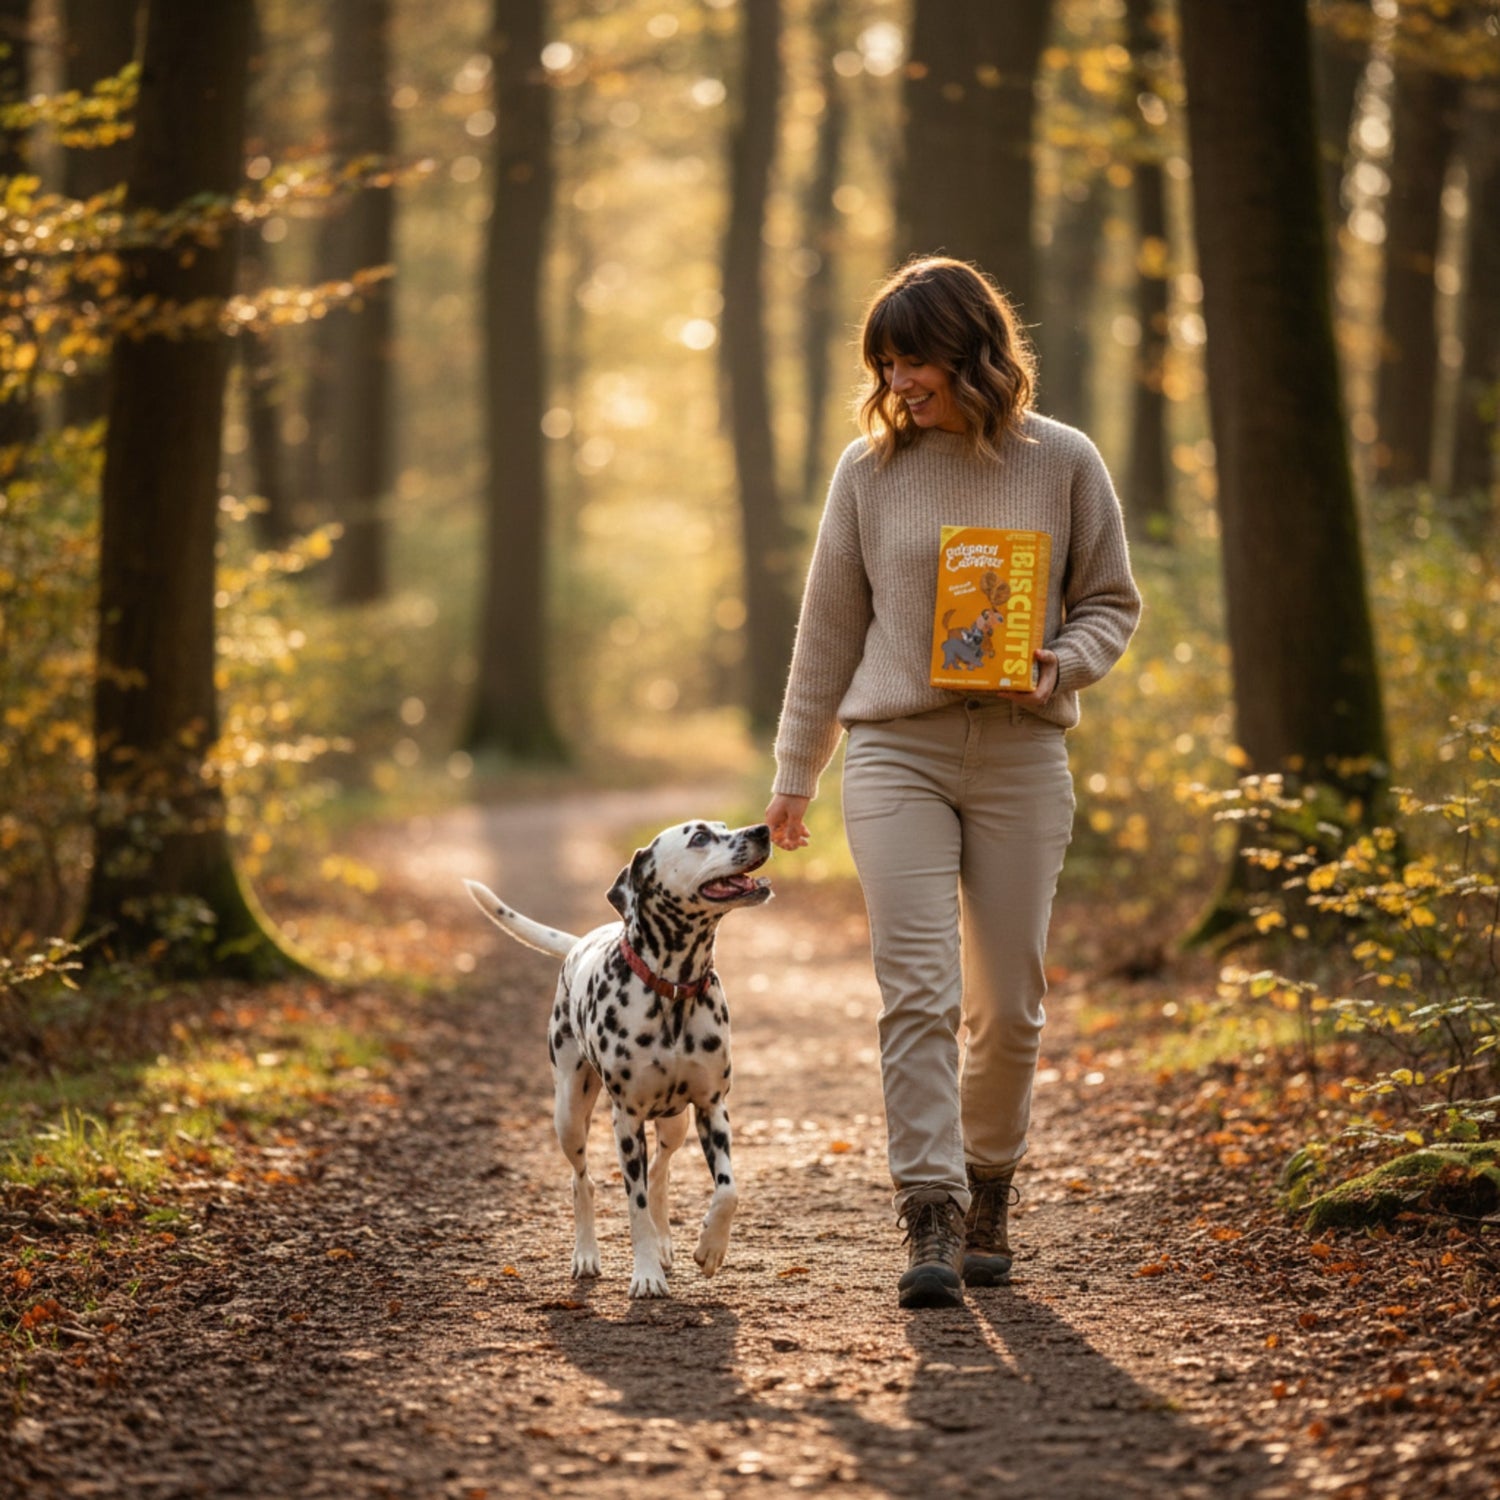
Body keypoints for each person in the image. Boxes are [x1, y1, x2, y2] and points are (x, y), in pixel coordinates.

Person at [764, 257, 1141, 1309]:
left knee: (1009, 1004)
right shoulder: (867, 471)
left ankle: (989, 1188)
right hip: (898, 753)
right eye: (883, 363)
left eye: (912, 358)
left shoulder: (1062, 460)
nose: (897, 381)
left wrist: (1059, 662)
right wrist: (795, 771)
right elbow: (827, 632)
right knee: (918, 990)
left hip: (1022, 754)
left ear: (971, 351)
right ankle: (926, 1207)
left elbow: (1112, 601)